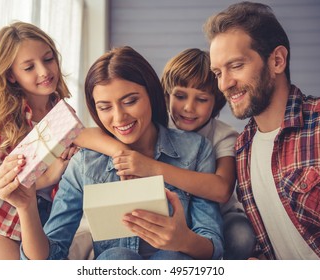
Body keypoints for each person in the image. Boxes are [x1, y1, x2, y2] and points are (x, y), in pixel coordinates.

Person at [0, 46, 224, 260]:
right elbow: (51, 258)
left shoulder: (196, 150)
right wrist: (26, 208)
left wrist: (184, 240)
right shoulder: (85, 164)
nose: (119, 117)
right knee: (117, 257)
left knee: (170, 257)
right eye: (105, 107)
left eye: (130, 101)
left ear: (152, 95)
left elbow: (214, 246)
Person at [203, 1, 320, 260]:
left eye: (236, 66)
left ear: (277, 61)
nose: (224, 84)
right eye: (217, 72)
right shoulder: (243, 149)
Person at [96, 48, 255, 259]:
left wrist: (151, 167)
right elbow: (84, 135)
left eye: (201, 99)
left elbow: (222, 189)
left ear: (216, 103)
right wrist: (120, 150)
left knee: (241, 236)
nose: (188, 107)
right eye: (180, 96)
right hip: (175, 214)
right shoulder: (159, 124)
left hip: (221, 214)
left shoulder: (223, 135)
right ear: (166, 95)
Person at [0, 21, 78, 259]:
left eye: (48, 59)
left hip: (39, 225)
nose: (44, 72)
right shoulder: (3, 119)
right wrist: (43, 177)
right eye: (29, 67)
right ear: (12, 76)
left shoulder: (66, 115)